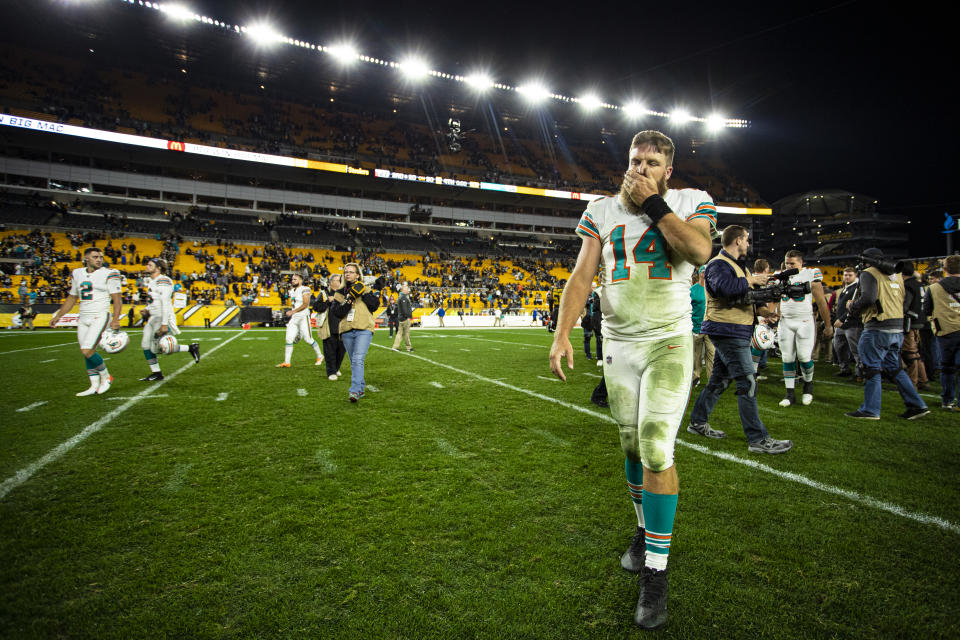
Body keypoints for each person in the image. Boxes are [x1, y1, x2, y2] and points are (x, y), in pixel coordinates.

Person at [549, 130, 716, 630]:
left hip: (668, 340)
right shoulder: (601, 210)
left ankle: (657, 574)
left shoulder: (691, 201)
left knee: (657, 448)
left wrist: (655, 205)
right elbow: (582, 275)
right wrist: (562, 335)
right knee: (629, 447)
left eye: (652, 162)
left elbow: (699, 251)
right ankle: (644, 531)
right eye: (634, 160)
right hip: (619, 345)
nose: (640, 168)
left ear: (669, 170)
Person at [687, 226, 794, 454]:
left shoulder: (738, 266)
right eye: (746, 240)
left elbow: (742, 297)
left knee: (719, 381)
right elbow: (723, 289)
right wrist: (752, 280)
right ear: (737, 240)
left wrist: (765, 311)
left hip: (735, 329)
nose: (748, 244)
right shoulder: (717, 264)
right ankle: (758, 439)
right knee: (748, 382)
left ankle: (697, 422)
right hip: (726, 330)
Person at [845, 248, 929, 419]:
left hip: (877, 327)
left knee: (871, 368)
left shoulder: (869, 273)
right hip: (896, 327)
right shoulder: (896, 274)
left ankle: (871, 409)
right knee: (895, 368)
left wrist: (853, 306)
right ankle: (917, 405)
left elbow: (869, 297)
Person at [50, 247, 122, 396]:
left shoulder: (109, 273)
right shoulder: (77, 273)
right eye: (95, 257)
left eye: (101, 257)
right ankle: (93, 385)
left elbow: (117, 298)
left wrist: (115, 319)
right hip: (83, 316)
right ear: (86, 259)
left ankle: (106, 376)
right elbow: (72, 298)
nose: (99, 259)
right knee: (87, 352)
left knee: (87, 350)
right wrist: (58, 315)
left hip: (100, 315)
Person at [776, 250, 833, 406]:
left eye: (792, 263)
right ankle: (789, 394)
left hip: (804, 321)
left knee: (804, 357)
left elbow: (821, 302)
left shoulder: (810, 274)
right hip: (785, 321)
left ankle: (808, 386)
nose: (789, 266)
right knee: (787, 358)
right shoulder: (780, 276)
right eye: (787, 263)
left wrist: (828, 325)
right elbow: (775, 300)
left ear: (801, 263)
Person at [140, 258, 200, 381]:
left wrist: (164, 324)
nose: (147, 266)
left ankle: (190, 348)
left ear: (159, 268)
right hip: (154, 316)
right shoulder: (152, 281)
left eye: (150, 265)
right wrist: (147, 309)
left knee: (157, 348)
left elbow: (166, 303)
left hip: (162, 316)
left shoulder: (163, 280)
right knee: (145, 344)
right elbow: (155, 300)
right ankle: (156, 373)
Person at [332, 263, 381, 402]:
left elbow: (375, 305)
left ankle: (354, 391)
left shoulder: (366, 289)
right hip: (347, 329)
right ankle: (360, 388)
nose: (348, 274)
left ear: (358, 274)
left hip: (364, 328)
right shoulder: (340, 292)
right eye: (346, 272)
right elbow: (337, 312)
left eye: (351, 272)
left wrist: (363, 292)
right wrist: (350, 299)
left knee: (358, 359)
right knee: (354, 361)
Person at [923, 255, 960, 409]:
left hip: (945, 332)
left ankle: (947, 400)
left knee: (947, 368)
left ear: (944, 270)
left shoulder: (933, 288)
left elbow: (926, 310)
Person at [276, 273, 324, 368]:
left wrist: (293, 311)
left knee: (308, 339)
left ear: (301, 281)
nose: (292, 281)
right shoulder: (292, 290)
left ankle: (320, 356)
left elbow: (306, 304)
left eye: (295, 279)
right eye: (292, 279)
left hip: (303, 317)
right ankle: (287, 362)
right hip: (295, 318)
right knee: (289, 338)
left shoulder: (305, 289)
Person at [898, 261, 929, 390]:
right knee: (916, 353)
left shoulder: (908, 285)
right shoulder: (919, 284)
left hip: (910, 323)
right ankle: (923, 380)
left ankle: (912, 383)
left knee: (909, 353)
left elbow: (905, 306)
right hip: (919, 321)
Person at [832, 266, 862, 378]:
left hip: (852, 324)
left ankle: (860, 373)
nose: (847, 277)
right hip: (841, 324)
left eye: (850, 275)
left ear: (856, 276)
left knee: (856, 350)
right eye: (845, 275)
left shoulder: (857, 288)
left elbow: (854, 308)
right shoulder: (846, 288)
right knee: (839, 347)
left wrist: (841, 319)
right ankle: (844, 369)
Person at [690, 267, 713, 385]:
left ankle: (711, 380)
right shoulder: (692, 290)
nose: (705, 274)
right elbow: (688, 309)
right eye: (703, 272)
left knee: (712, 354)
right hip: (696, 327)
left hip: (709, 327)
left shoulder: (712, 289)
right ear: (700, 274)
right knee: (696, 355)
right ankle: (696, 376)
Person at [320, 274, 346, 381]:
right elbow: (317, 307)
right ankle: (331, 371)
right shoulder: (324, 294)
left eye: (340, 280)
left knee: (341, 350)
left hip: (343, 326)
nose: (340, 282)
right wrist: (327, 301)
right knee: (329, 351)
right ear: (331, 282)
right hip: (329, 326)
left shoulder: (345, 293)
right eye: (337, 280)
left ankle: (336, 368)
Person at [392, 283, 414, 351]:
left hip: (401, 318)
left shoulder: (400, 297)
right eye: (407, 289)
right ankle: (408, 347)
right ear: (403, 290)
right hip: (404, 318)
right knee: (406, 333)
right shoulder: (403, 297)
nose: (408, 290)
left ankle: (395, 347)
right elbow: (404, 309)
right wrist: (408, 316)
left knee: (399, 333)